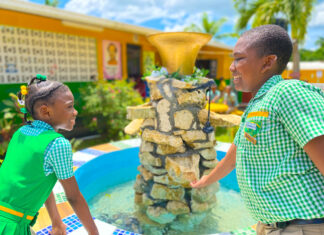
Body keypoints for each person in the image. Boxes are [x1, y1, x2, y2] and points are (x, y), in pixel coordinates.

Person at [191, 25, 324, 235]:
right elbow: (234, 157)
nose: (232, 67)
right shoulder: (259, 103)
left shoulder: (288, 93)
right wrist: (204, 181)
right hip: (273, 225)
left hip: (303, 226)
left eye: (239, 59)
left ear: (268, 62)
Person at [0, 75, 99, 235]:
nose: (75, 112)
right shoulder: (57, 144)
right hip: (9, 227)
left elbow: (40, 179)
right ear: (45, 111)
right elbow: (74, 197)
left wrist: (56, 221)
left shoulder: (21, 133)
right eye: (69, 107)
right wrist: (94, 233)